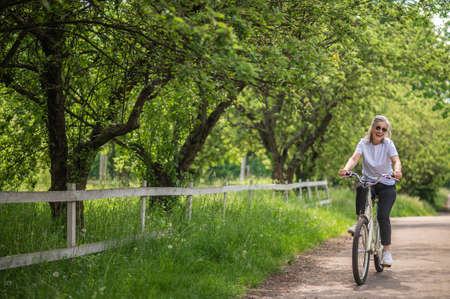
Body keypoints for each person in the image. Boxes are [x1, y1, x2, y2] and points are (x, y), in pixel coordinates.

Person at [338, 115, 402, 267]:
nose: (380, 131)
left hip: (386, 183)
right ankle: (360, 221)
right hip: (370, 182)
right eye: (378, 128)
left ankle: (386, 252)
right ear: (372, 128)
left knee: (382, 216)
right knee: (361, 186)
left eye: (383, 129)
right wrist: (346, 169)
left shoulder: (388, 144)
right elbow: (355, 158)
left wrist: (397, 170)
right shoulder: (363, 143)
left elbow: (395, 160)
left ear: (386, 132)